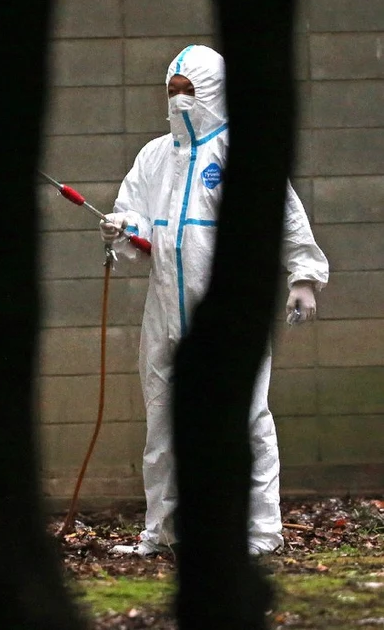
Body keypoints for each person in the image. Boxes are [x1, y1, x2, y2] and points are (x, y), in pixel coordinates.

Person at [99, 44, 328, 557]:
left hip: (228, 312)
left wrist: (304, 276)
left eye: (190, 91)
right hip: (164, 312)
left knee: (245, 421)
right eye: (172, 90)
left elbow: (284, 216)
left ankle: (259, 532)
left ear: (215, 92)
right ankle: (164, 530)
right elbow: (138, 221)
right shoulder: (155, 156)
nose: (180, 100)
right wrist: (123, 227)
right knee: (162, 424)